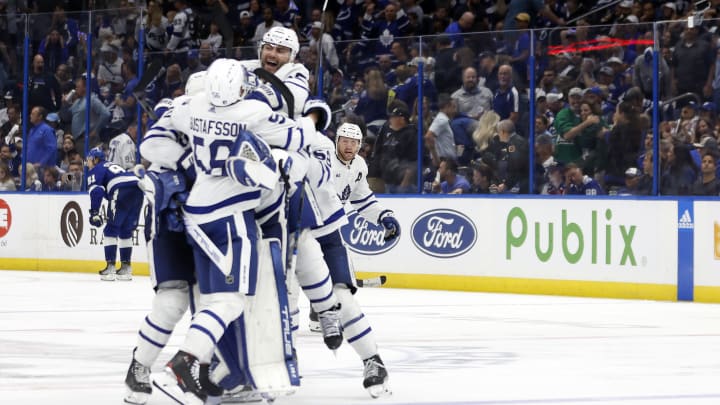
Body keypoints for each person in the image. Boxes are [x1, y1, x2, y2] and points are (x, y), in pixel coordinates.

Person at [158, 59, 339, 404]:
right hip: (229, 216)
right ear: (241, 89)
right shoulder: (251, 112)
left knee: (212, 300)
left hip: (195, 212)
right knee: (231, 301)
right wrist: (315, 115)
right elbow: (298, 136)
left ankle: (213, 371)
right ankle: (184, 365)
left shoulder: (192, 107)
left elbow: (167, 118)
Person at [308, 121, 395, 396]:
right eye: (344, 140)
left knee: (344, 298)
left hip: (330, 234)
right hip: (297, 235)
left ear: (359, 146)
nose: (348, 146)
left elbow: (362, 200)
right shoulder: (316, 153)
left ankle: (373, 361)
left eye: (353, 142)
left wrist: (383, 215)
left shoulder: (358, 167)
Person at [86, 147, 144, 281]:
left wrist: (94, 212)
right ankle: (126, 268)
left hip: (120, 189)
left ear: (95, 159)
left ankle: (110, 268)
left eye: (89, 160)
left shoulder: (96, 169)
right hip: (137, 188)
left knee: (110, 229)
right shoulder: (113, 165)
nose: (87, 163)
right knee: (125, 230)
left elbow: (97, 191)